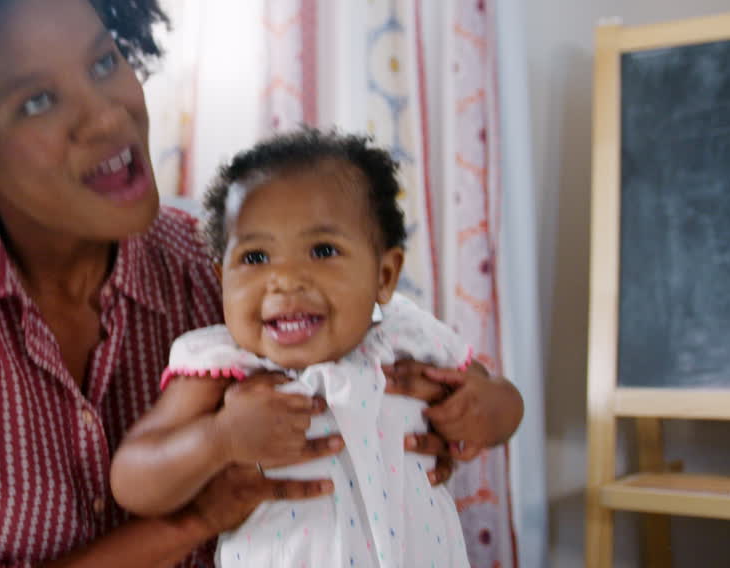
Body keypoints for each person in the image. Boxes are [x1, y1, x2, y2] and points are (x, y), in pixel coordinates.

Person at [0, 0, 519, 567]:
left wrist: (432, 420)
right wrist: (190, 521)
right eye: (38, 101)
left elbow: (396, 377)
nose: (107, 115)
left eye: (104, 62)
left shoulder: (232, 271)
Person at [110, 128, 524, 567]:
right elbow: (132, 481)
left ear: (384, 275)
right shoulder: (226, 367)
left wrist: (482, 409)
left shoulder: (410, 341)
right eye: (255, 257)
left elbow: (506, 404)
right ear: (221, 278)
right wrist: (221, 439)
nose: (286, 279)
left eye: (322, 250)